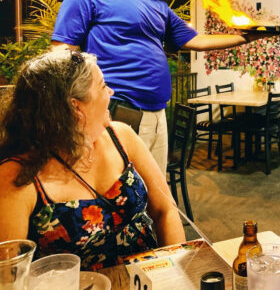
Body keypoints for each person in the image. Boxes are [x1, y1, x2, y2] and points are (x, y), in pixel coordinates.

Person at [51, 0, 271, 173]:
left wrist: (248, 37)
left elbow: (195, 41)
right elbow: (62, 52)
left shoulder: (157, 6)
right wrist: (84, 108)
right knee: (120, 191)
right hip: (120, 110)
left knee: (154, 189)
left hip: (158, 114)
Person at [0, 50, 186, 270]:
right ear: (75, 107)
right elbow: (8, 273)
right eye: (102, 86)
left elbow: (166, 210)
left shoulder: (121, 137)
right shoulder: (17, 177)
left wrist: (175, 272)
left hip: (149, 278)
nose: (111, 91)